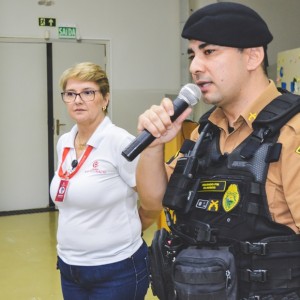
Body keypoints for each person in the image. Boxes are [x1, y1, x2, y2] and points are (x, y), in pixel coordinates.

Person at [136, 2, 300, 299]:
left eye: (209, 52)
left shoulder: (292, 133)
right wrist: (154, 146)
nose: (194, 67)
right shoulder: (206, 131)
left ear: (252, 56)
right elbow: (153, 202)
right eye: (192, 54)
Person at [50, 62, 160, 300]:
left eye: (88, 92)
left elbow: (153, 203)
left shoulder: (120, 143)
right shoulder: (65, 143)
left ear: (105, 99)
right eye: (70, 94)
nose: (78, 100)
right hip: (70, 268)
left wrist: (125, 232)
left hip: (116, 269)